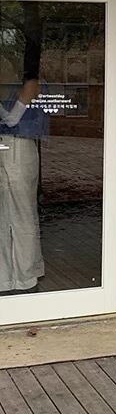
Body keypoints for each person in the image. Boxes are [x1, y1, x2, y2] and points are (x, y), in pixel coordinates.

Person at [0, 77, 47, 295]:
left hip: (16, 147)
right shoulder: (16, 83)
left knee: (21, 214)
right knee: (9, 215)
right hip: (12, 147)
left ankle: (24, 276)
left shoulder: (30, 82)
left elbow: (11, 119)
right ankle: (9, 277)